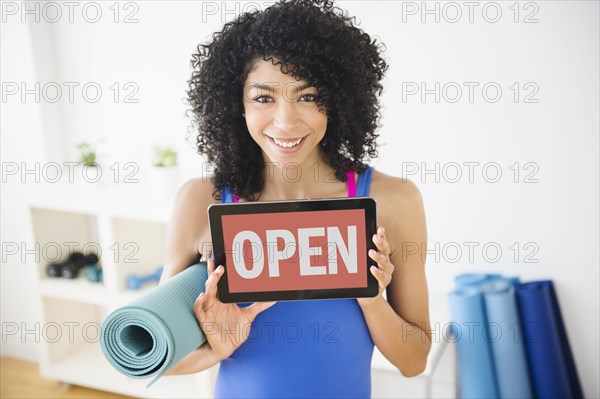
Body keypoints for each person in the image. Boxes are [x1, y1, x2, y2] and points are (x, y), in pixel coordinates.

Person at [160, 0, 431, 397]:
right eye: (263, 98)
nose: (286, 122)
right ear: (237, 102)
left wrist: (371, 300)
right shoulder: (201, 201)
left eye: (308, 96)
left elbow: (414, 362)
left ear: (337, 99)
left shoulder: (392, 201)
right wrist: (215, 348)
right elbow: (161, 356)